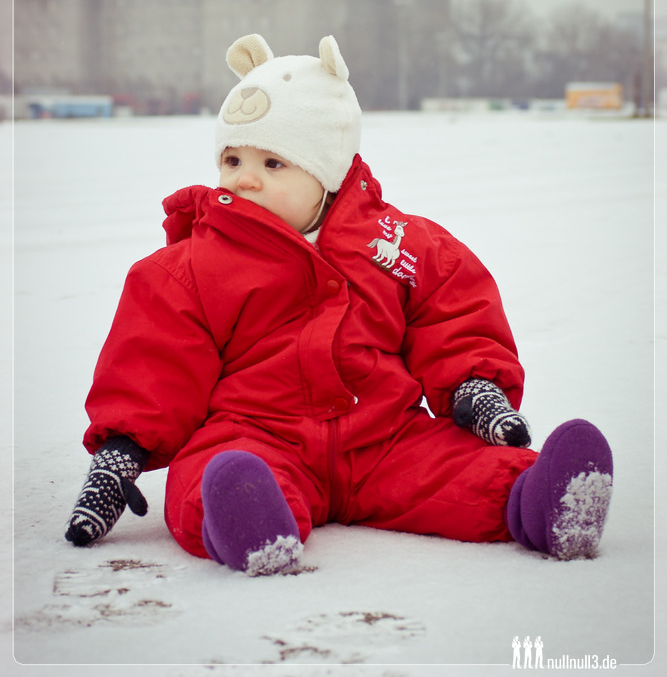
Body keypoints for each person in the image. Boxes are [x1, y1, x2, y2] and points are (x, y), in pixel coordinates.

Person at [65, 34, 613, 575]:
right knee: (214, 472)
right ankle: (252, 523)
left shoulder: (398, 245)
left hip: (385, 438)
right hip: (258, 435)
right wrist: (122, 452)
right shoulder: (193, 265)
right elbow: (154, 359)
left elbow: (452, 312)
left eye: (273, 163)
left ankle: (544, 500)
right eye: (232, 158)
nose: (244, 178)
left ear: (326, 171)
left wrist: (474, 384)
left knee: (460, 466)